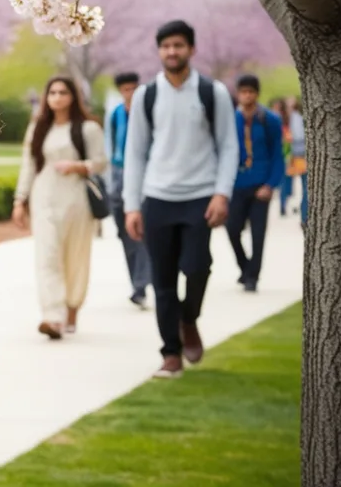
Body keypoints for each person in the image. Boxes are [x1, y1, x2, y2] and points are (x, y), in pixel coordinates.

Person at [122, 20, 238, 379]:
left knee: (197, 266)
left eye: (178, 45)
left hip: (200, 197)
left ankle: (189, 319)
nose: (172, 52)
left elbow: (229, 145)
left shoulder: (212, 92)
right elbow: (135, 152)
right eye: (166, 46)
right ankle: (170, 353)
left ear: (191, 49)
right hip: (157, 197)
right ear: (159, 51)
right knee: (164, 279)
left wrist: (222, 192)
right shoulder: (147, 95)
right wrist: (132, 205)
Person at [13, 77, 107, 339]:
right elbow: (28, 164)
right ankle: (52, 316)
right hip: (44, 197)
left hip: (77, 200)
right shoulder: (38, 127)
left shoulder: (88, 128)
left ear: (73, 96)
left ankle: (72, 308)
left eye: (62, 92)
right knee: (47, 257)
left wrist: (77, 166)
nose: (57, 97)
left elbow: (100, 162)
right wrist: (20, 200)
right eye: (52, 92)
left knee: (75, 257)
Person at [225, 75, 284, 293]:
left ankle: (253, 278)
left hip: (261, 185)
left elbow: (278, 155)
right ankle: (245, 266)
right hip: (237, 184)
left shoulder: (269, 120)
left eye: (251, 92)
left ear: (257, 94)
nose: (247, 96)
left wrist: (270, 184)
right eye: (243, 92)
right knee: (232, 229)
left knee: (258, 234)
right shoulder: (231, 119)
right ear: (238, 94)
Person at [105, 72, 151, 308]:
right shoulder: (116, 114)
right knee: (125, 233)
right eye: (125, 89)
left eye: (133, 88)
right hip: (119, 176)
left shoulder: (147, 112)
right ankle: (137, 280)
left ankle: (140, 285)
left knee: (141, 231)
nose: (130, 93)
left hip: (144, 176)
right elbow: (112, 146)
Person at [285, 96, 308, 227]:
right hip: (301, 155)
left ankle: (304, 215)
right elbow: (298, 136)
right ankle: (304, 217)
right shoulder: (296, 118)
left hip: (300, 155)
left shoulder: (294, 118)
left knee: (305, 187)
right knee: (306, 188)